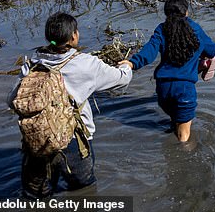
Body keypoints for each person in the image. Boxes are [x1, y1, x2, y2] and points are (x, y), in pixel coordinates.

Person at [7, 12, 133, 199]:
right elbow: (122, 80)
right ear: (74, 36)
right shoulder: (86, 64)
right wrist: (127, 66)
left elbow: (11, 101)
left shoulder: (31, 64)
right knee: (84, 192)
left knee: (36, 198)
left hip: (36, 143)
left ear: (48, 37)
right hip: (74, 143)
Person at [120, 0, 215, 142]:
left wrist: (132, 63)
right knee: (183, 138)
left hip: (163, 89)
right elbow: (212, 50)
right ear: (186, 12)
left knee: (174, 123)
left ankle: (170, 153)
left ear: (166, 13)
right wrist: (201, 55)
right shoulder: (195, 29)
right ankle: (181, 162)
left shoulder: (162, 29)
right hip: (184, 89)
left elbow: (149, 52)